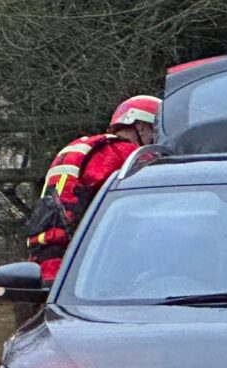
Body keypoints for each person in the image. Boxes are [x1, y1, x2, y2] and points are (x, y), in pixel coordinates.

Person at [25, 95, 162, 284]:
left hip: (48, 260)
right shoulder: (126, 155)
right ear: (140, 126)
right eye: (153, 130)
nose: (155, 139)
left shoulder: (83, 148)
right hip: (90, 264)